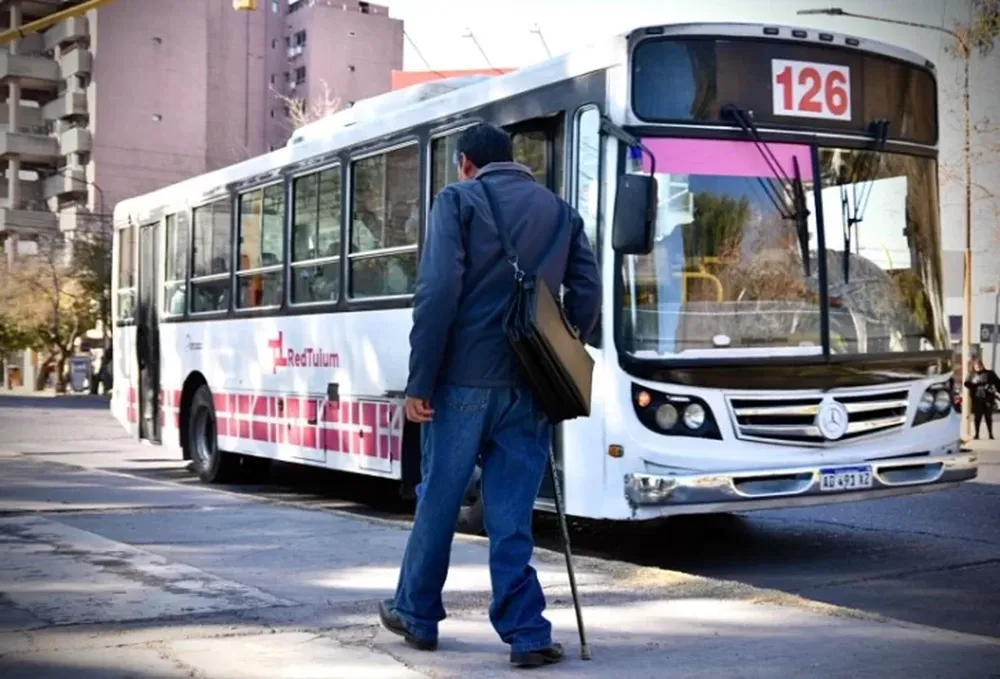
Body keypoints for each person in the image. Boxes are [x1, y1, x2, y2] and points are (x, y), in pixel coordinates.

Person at [378, 122, 601, 668]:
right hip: (529, 386)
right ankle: (526, 633)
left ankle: (418, 614)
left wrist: (420, 383)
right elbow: (589, 292)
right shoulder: (560, 212)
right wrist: (558, 350)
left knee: (440, 500)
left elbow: (437, 294)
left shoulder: (457, 201)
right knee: (511, 513)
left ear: (466, 163)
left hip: (460, 384)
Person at [965, 357, 1000, 439]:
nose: (978, 368)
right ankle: (977, 434)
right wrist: (975, 384)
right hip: (977, 399)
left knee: (988, 417)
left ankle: (990, 434)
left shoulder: (990, 373)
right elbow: (966, 383)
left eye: (979, 366)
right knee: (977, 417)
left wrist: (992, 388)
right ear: (973, 366)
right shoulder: (971, 374)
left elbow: (998, 383)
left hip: (988, 398)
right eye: (976, 366)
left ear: (982, 366)